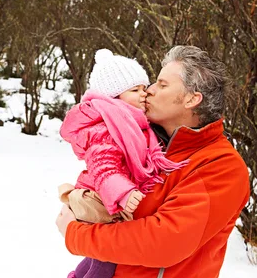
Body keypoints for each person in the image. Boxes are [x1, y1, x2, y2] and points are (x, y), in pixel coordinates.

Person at [56, 45, 250, 278]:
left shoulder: (221, 166)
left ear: (191, 99)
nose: (149, 90)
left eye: (162, 84)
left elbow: (164, 241)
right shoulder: (147, 145)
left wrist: (76, 234)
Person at [58, 48, 187, 278]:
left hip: (107, 197)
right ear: (114, 96)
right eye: (135, 90)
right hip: (102, 198)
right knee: (107, 259)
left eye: (144, 88)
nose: (144, 94)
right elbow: (104, 164)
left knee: (97, 256)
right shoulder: (107, 126)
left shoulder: (131, 121)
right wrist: (122, 193)